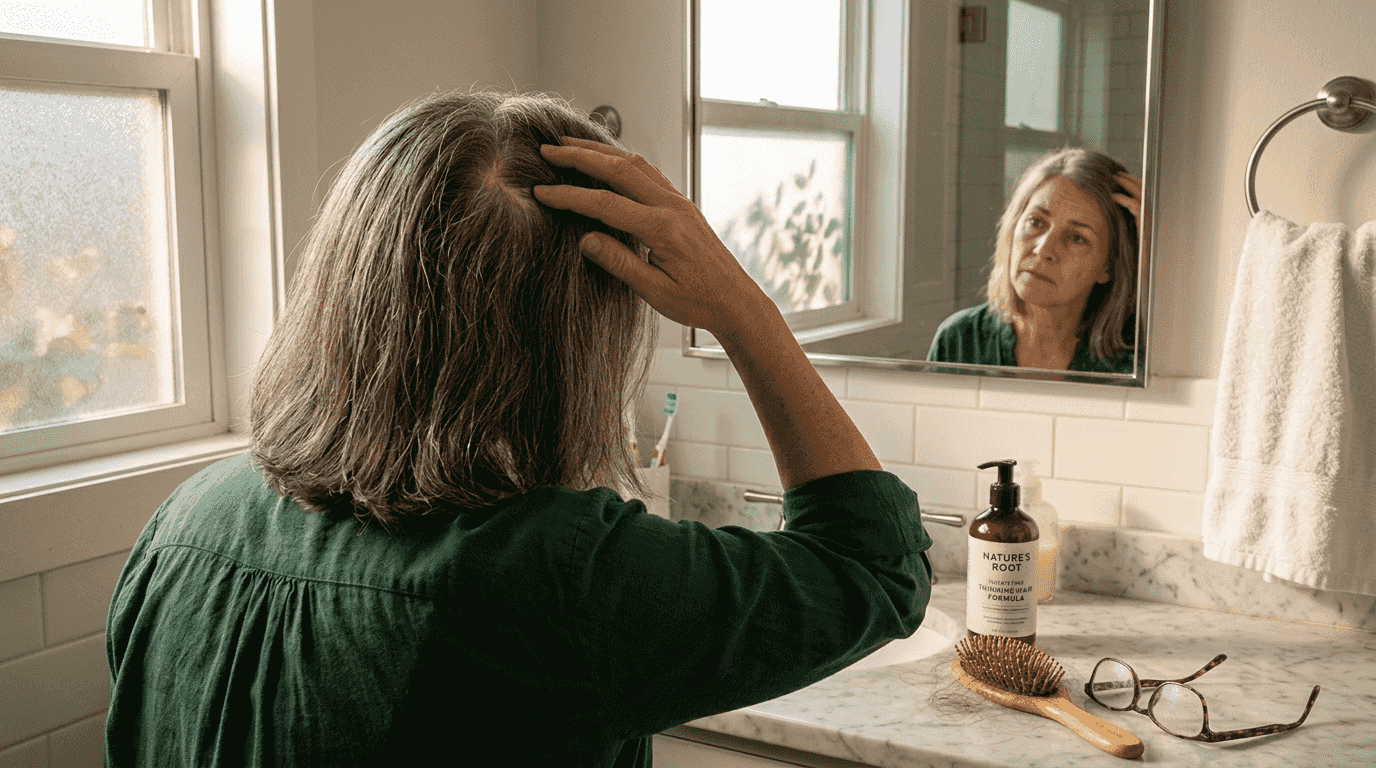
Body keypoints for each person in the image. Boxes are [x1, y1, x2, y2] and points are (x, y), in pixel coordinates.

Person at [104, 91, 932, 767]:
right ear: (578, 337)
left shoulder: (183, 521)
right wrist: (744, 309)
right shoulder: (553, 577)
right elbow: (874, 565)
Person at [927, 147, 1142, 372]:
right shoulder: (959, 339)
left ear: (1108, 266)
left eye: (1077, 238)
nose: (1043, 249)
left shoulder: (1134, 357)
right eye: (1036, 222)